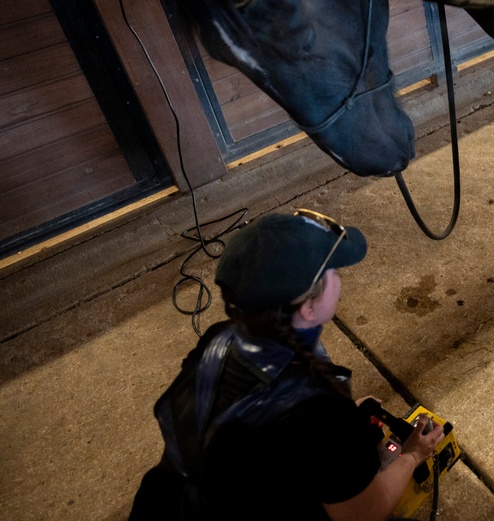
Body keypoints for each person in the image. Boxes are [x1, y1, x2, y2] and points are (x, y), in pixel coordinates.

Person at [128, 209, 443, 520]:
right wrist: (413, 455)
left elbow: (259, 433)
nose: (339, 279)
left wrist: (345, 429)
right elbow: (365, 513)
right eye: (334, 272)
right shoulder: (324, 417)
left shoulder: (220, 338)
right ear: (308, 307)